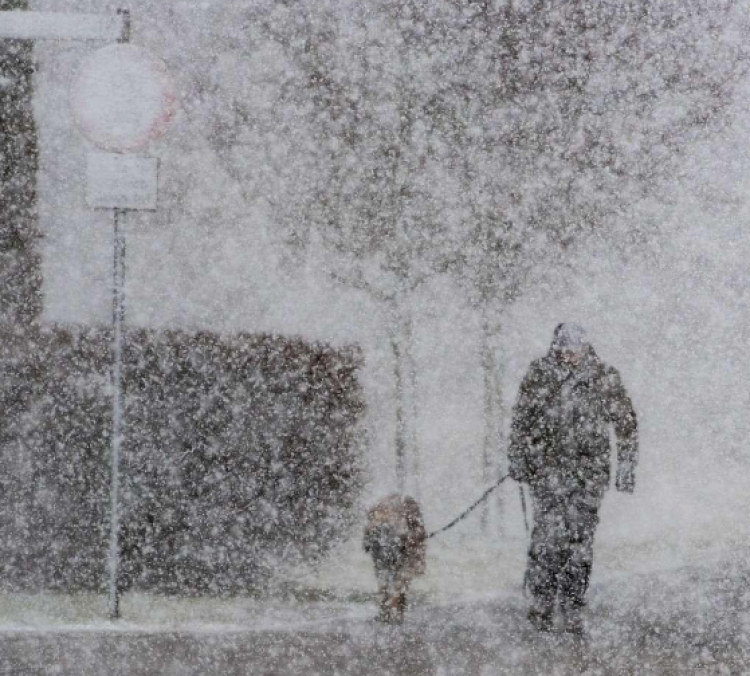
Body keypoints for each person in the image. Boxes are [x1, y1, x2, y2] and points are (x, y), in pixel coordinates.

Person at [508, 323, 638, 634]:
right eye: (562, 348)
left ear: (584, 347)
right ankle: (541, 602)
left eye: (573, 348)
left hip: (588, 475)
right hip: (546, 473)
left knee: (579, 542)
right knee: (547, 539)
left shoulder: (603, 377)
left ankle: (572, 603)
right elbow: (521, 420)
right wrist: (518, 460)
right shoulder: (539, 373)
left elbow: (626, 423)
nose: (567, 354)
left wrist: (626, 467)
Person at [363, 494, 427, 624]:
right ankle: (391, 613)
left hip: (397, 551)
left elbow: (367, 542)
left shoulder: (399, 513)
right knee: (394, 584)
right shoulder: (401, 513)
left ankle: (388, 613)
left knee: (391, 583)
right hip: (392, 550)